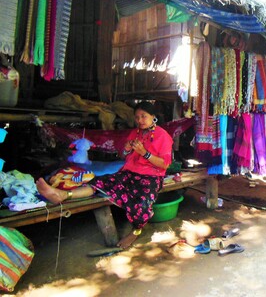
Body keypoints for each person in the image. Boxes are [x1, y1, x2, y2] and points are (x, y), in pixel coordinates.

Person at [36, 101, 173, 249]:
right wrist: (126, 149)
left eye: (143, 116)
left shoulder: (163, 136)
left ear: (153, 117)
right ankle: (63, 195)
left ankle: (136, 232)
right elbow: (124, 155)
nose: (139, 120)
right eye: (137, 117)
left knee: (141, 204)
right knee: (99, 181)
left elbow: (165, 164)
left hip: (151, 177)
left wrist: (144, 153)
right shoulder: (135, 133)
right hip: (129, 173)